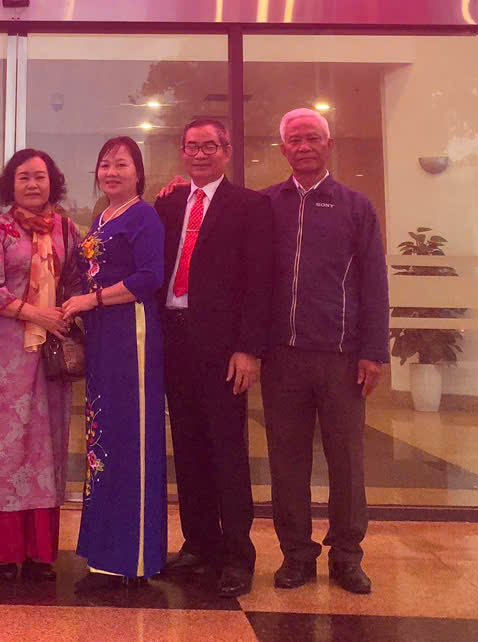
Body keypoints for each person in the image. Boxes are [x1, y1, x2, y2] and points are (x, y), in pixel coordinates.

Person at [260, 108, 389, 595]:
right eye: (295, 140)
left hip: (341, 357)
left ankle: (347, 556)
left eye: (313, 138)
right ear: (283, 150)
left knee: (347, 461)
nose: (304, 146)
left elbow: (374, 282)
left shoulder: (356, 206)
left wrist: (372, 350)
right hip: (282, 357)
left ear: (329, 145)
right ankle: (296, 554)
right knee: (286, 461)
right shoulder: (265, 205)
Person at [154, 117, 275, 598]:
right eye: (192, 147)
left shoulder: (250, 206)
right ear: (182, 152)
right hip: (174, 339)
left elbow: (260, 283)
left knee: (227, 450)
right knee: (187, 446)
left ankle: (237, 555)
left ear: (226, 151)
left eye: (209, 146)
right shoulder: (168, 204)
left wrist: (249, 349)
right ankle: (199, 543)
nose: (200, 154)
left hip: (224, 348)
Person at [0, 148, 79, 581]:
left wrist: (67, 313)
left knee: (45, 448)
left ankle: (39, 552)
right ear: (10, 186)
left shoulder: (67, 229)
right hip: (5, 356)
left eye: (39, 177)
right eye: (23, 178)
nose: (33, 184)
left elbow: (78, 282)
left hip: (51, 356)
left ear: (53, 182)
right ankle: (4, 552)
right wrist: (38, 314)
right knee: (5, 450)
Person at [62, 136, 167, 586]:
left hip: (132, 336)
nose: (111, 172)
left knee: (130, 438)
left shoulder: (144, 215)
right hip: (103, 336)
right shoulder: (102, 217)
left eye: (121, 164)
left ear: (138, 173)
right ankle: (104, 547)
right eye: (105, 164)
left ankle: (132, 555)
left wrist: (92, 300)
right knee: (102, 440)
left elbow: (149, 277)